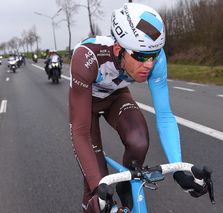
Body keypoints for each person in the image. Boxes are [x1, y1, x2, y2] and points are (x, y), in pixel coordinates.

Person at [69, 3, 209, 213]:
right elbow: (79, 132)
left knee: (139, 140)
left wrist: (178, 170)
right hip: (86, 102)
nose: (150, 64)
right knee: (96, 186)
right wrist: (98, 186)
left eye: (154, 54)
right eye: (142, 56)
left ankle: (126, 190)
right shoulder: (87, 57)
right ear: (118, 50)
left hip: (116, 96)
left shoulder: (154, 59)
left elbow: (164, 115)